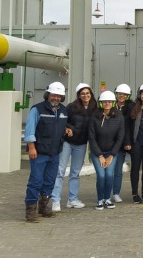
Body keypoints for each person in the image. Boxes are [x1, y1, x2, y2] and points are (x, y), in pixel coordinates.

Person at [24, 81, 68, 222]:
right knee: (36, 181)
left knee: (49, 181)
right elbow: (30, 130)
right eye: (54, 95)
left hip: (54, 153)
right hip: (39, 152)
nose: (56, 98)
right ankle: (30, 211)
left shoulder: (63, 111)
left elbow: (61, 126)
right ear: (47, 95)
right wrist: (31, 147)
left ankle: (43, 207)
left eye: (59, 96)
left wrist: (68, 130)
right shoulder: (37, 109)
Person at [51, 83, 95, 212]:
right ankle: (55, 200)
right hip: (67, 143)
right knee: (60, 171)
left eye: (87, 93)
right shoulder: (71, 107)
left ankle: (72, 199)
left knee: (75, 173)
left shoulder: (95, 107)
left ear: (91, 94)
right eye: (82, 94)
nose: (85, 95)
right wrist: (68, 128)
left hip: (81, 144)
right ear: (78, 95)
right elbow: (63, 121)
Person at [88, 91, 125, 210]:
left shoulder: (119, 117)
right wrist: (99, 155)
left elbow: (120, 138)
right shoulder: (94, 116)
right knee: (101, 175)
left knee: (109, 175)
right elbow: (92, 137)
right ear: (101, 103)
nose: (107, 103)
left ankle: (107, 199)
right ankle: (100, 200)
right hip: (97, 153)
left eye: (109, 101)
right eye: (105, 101)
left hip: (111, 153)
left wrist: (111, 155)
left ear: (113, 103)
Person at [112, 83, 134, 203]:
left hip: (121, 144)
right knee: (107, 171)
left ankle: (116, 193)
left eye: (124, 94)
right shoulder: (109, 104)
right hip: (108, 142)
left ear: (128, 96)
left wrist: (127, 142)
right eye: (120, 94)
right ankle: (105, 193)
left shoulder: (130, 108)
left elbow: (128, 127)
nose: (122, 96)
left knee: (118, 170)